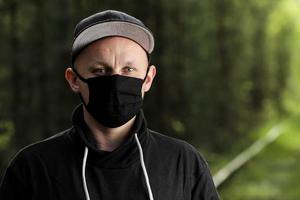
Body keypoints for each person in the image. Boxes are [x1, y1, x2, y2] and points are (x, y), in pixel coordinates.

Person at [0, 10, 219, 200]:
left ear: (149, 79)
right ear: (73, 79)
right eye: (100, 70)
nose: (116, 81)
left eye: (128, 70)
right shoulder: (33, 168)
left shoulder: (183, 162)